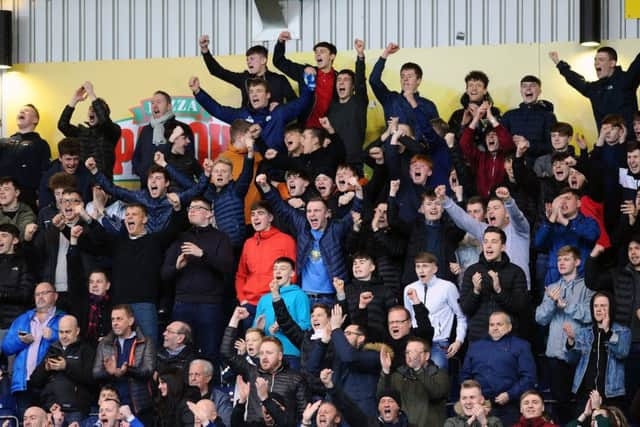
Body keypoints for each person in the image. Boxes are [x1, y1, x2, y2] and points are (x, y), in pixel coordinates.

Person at [256, 173, 363, 305]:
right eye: (309, 211)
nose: (312, 214)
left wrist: (358, 190)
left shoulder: (336, 229)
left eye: (317, 211)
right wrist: (265, 186)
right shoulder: (303, 226)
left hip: (331, 297)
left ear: (327, 214)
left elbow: (355, 211)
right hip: (304, 296)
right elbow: (281, 207)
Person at [160, 196, 234, 363]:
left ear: (209, 214)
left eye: (198, 207)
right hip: (182, 303)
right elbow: (164, 274)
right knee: (178, 353)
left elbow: (228, 269)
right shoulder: (181, 238)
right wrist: (177, 267)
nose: (192, 210)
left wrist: (203, 255)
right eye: (190, 208)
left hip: (210, 305)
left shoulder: (221, 238)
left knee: (209, 353)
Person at [535, 246, 594, 424]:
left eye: (566, 259)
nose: (561, 262)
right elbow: (539, 318)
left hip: (580, 353)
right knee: (560, 404)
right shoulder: (552, 288)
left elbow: (590, 315)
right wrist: (552, 303)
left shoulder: (587, 287)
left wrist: (565, 305)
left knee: (581, 403)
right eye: (559, 260)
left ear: (577, 262)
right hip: (556, 354)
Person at [190, 73, 314, 153]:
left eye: (259, 91)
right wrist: (198, 92)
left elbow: (302, 103)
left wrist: (308, 79)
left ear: (268, 95)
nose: (254, 94)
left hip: (276, 167)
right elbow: (218, 110)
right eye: (251, 92)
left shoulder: (279, 112)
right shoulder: (242, 115)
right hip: (251, 169)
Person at [585, 237, 640, 403]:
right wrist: (593, 256)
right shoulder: (619, 273)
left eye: (637, 248)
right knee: (629, 394)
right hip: (625, 342)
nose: (633, 252)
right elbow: (592, 281)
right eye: (630, 249)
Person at [461, 312, 537, 426]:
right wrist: (475, 398)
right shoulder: (475, 346)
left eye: (499, 324)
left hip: (509, 405)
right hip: (479, 406)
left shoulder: (521, 346)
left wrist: (509, 394)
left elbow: (529, 378)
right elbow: (465, 375)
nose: (495, 328)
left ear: (509, 327)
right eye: (491, 325)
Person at [1, 282, 64, 417]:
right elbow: (5, 347)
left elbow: (72, 343)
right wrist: (20, 341)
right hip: (24, 383)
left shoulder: (63, 319)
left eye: (45, 293)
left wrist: (53, 335)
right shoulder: (22, 319)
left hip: (50, 383)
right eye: (37, 294)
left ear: (56, 296)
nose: (40, 297)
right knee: (27, 422)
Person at [460, 227, 530, 341]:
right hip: (478, 337)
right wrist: (476, 291)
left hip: (508, 338)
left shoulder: (516, 272)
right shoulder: (471, 271)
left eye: (494, 242)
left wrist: (499, 291)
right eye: (486, 241)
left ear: (503, 247)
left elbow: (520, 307)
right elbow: (465, 309)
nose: (488, 245)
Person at [565, 292, 631, 409]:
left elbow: (622, 353)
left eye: (603, 306)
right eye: (596, 306)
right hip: (585, 394)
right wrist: (571, 341)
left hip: (611, 395)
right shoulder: (584, 332)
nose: (599, 309)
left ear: (611, 308)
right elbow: (571, 360)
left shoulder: (623, 331)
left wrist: (607, 332)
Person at [235, 201, 296, 326]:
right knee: (250, 344)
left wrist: (281, 300)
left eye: (260, 213)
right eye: (252, 215)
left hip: (274, 302)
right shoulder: (249, 243)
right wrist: (243, 299)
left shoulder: (286, 240)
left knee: (272, 344)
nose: (255, 218)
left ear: (270, 218)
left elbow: (293, 275)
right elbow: (241, 275)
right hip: (250, 305)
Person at [93, 304, 156, 426]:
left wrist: (127, 370)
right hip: (112, 407)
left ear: (130, 321)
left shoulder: (145, 342)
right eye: (113, 319)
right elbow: (95, 373)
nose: (115, 323)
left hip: (139, 405)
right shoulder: (105, 343)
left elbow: (148, 370)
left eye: (119, 319)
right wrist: (110, 372)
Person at [549, 47, 640, 131]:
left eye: (601, 60)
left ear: (612, 63)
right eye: (595, 60)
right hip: (605, 144)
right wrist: (559, 64)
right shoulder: (594, 89)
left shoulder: (626, 80)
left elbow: (637, 64)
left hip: (629, 143)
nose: (596, 63)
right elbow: (575, 80)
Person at [403, 252, 467, 369]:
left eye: (425, 266)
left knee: (436, 378)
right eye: (418, 266)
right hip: (417, 343)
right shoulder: (409, 288)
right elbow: (408, 319)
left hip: (439, 342)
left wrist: (458, 341)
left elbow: (461, 316)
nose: (421, 270)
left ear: (435, 268)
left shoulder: (448, 287)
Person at [29, 314, 95, 424]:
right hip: (53, 410)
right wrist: (45, 368)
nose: (64, 336)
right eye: (61, 332)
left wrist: (66, 367)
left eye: (67, 332)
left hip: (76, 411)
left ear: (77, 331)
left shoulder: (86, 349)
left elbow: (91, 379)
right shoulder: (53, 349)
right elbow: (35, 381)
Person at [199, 35, 296, 108]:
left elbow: (294, 103)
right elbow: (217, 71)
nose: (248, 62)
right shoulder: (244, 79)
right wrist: (205, 50)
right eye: (247, 60)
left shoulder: (279, 79)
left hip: (273, 126)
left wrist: (281, 108)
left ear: (263, 60)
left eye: (252, 59)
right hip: (248, 128)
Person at [369, 42, 439, 142]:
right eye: (402, 76)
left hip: (418, 154)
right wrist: (386, 53)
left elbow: (436, 134)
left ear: (418, 80)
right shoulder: (391, 99)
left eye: (410, 76)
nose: (405, 79)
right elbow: (374, 80)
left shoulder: (428, 105)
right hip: (393, 151)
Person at [379, 336, 450, 427]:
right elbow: (382, 397)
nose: (411, 355)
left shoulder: (439, 374)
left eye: (415, 352)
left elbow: (436, 393)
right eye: (408, 352)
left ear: (427, 356)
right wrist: (385, 371)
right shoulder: (399, 375)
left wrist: (418, 369)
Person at [57, 81, 121, 181]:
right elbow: (62, 125)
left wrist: (91, 94)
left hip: (103, 183)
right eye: (90, 109)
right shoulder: (81, 133)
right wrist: (74, 100)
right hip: (82, 183)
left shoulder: (112, 131)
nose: (92, 111)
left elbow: (104, 121)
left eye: (96, 110)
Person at [534, 188, 599, 286]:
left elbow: (592, 235)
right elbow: (538, 244)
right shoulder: (552, 226)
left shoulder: (588, 222)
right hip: (554, 283)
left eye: (567, 198)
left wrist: (566, 222)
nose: (562, 202)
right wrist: (552, 218)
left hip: (580, 281)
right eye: (560, 200)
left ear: (578, 203)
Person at [254, 257, 310, 368]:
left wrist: (282, 327)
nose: (278, 271)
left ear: (292, 273)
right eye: (275, 269)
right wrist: (260, 329)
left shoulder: (299, 295)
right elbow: (255, 330)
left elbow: (305, 325)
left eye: (283, 268)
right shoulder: (264, 299)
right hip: (267, 354)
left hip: (290, 352)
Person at [274, 31, 337, 128]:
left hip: (327, 129)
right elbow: (279, 62)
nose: (318, 54)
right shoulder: (306, 72)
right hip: (306, 128)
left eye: (322, 51)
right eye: (316, 52)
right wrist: (280, 43)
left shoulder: (340, 78)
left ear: (332, 56)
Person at [132, 90, 192, 186]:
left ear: (169, 107)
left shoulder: (181, 128)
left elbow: (188, 159)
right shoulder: (146, 130)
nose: (155, 106)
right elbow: (136, 157)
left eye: (159, 102)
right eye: (152, 103)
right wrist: (143, 174)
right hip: (147, 187)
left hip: (172, 188)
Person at [327, 39, 369, 172]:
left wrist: (360, 56)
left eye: (346, 80)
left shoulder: (359, 102)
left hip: (353, 164)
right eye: (339, 80)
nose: (341, 83)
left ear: (353, 86)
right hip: (333, 164)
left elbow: (361, 81)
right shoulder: (331, 107)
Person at [0, 104, 51, 209]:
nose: (22, 112)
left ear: (35, 120)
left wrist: (41, 196)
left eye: (27, 111)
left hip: (27, 197)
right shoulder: (4, 142)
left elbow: (45, 172)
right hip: (2, 195)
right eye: (20, 111)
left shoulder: (40, 144)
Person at [501, 75, 557, 162]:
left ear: (539, 91)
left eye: (533, 85)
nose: (528, 89)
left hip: (538, 166)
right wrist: (511, 141)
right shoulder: (509, 115)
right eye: (524, 86)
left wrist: (528, 143)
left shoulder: (548, 116)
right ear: (520, 91)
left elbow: (552, 146)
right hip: (512, 164)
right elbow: (500, 142)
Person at [0, 223, 34, 343]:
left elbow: (26, 294)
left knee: (13, 361)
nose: (0, 239)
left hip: (14, 324)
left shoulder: (24, 262)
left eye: (4, 235)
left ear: (15, 240)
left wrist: (3, 294)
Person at [185, 359, 233, 427]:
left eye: (197, 375)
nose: (193, 378)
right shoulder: (183, 397)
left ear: (208, 378)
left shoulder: (220, 399)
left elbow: (226, 424)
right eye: (190, 374)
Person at [0, 177, 37, 241]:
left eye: (6, 189)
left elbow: (19, 236)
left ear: (16, 192)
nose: (1, 192)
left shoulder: (27, 213)